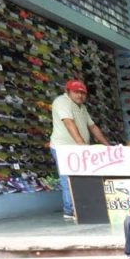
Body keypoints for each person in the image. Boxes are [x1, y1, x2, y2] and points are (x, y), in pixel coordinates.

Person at [50, 79, 111, 220]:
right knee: (68, 178)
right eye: (76, 92)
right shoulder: (61, 102)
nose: (80, 96)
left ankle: (82, 208)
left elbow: (93, 127)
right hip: (63, 147)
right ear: (68, 91)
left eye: (83, 93)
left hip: (77, 149)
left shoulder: (82, 107)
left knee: (83, 178)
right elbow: (68, 122)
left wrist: (108, 146)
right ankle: (69, 210)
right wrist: (81, 144)